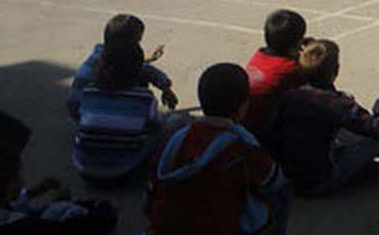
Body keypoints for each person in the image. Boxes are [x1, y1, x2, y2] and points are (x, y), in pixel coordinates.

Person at [145, 63, 290, 235]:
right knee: (282, 191)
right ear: (242, 108)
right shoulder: (243, 146)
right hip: (221, 227)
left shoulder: (177, 138)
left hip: (167, 225)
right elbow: (273, 182)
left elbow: (152, 186)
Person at [265, 40, 379, 196]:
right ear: (336, 70)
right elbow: (378, 129)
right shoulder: (335, 103)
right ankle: (350, 173)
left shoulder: (289, 95)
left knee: (335, 130)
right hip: (319, 180)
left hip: (288, 176)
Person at [0, 139, 117, 235]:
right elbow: (98, 222)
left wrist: (35, 193)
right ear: (8, 186)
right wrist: (96, 205)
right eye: (19, 173)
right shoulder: (23, 227)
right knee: (66, 211)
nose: (23, 179)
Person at [71, 41, 167, 182]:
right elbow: (155, 128)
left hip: (84, 170)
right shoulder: (144, 98)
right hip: (122, 173)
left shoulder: (89, 91)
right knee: (167, 127)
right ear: (138, 71)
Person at [67, 13, 176, 120]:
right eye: (138, 39)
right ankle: (126, 114)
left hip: (81, 117)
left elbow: (133, 64)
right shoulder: (145, 96)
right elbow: (147, 71)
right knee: (176, 122)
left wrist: (148, 59)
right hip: (122, 127)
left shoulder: (96, 57)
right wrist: (166, 88)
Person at [243, 10, 308, 136]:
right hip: (263, 132)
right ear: (298, 42)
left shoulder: (259, 54)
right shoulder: (290, 69)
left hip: (244, 122)